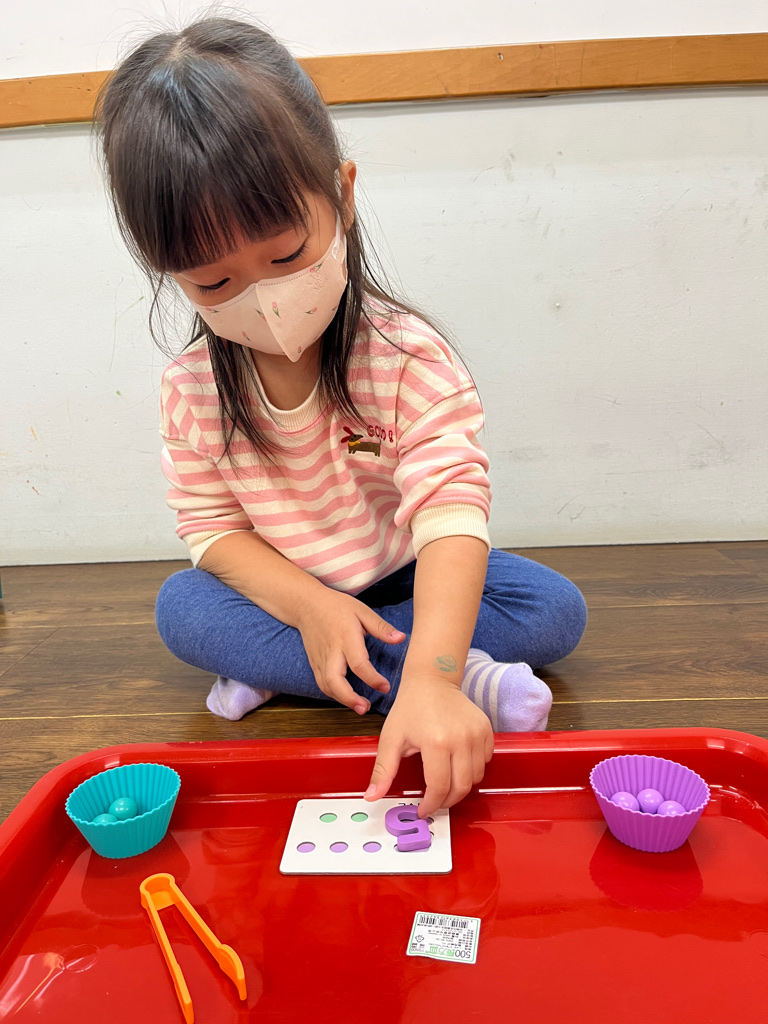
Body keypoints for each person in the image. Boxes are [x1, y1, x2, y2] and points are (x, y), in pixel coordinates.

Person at [96, 17, 587, 818]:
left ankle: (312, 669)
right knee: (181, 608)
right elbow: (212, 532)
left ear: (344, 195)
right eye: (213, 283)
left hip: (403, 570)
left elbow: (450, 511)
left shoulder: (406, 356)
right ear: (169, 272)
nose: (264, 297)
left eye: (287, 255)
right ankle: (447, 676)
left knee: (553, 610)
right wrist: (319, 612)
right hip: (286, 592)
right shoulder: (191, 387)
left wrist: (423, 665)